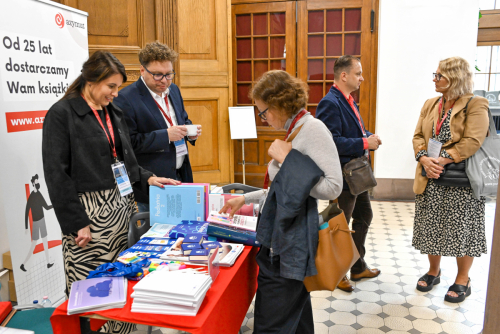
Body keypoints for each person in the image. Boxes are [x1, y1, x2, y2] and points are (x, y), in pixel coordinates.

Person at [42, 51, 179, 333]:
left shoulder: (111, 112)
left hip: (121, 208)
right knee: (91, 289)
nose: (116, 93)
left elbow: (125, 161)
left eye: (117, 87)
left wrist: (148, 179)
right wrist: (76, 222)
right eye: (111, 87)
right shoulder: (62, 114)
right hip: (89, 216)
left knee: (122, 281)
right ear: (91, 80)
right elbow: (57, 174)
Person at [220, 70, 342, 333]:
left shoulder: (312, 129)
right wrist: (244, 198)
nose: (262, 118)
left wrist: (288, 160)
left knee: (270, 325)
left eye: (264, 112)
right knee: (296, 320)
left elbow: (334, 185)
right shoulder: (294, 129)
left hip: (290, 245)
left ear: (279, 104)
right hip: (282, 238)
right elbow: (284, 188)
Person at [412, 57, 489, 303]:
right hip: (431, 177)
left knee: (462, 230)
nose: (435, 80)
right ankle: (434, 272)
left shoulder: (476, 104)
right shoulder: (431, 103)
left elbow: (473, 141)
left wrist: (442, 159)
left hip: (461, 182)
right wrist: (424, 159)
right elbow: (417, 136)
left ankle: (462, 279)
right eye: (434, 75)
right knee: (431, 227)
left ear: (454, 78)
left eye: (439, 76)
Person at [316, 55, 382, 292]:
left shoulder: (348, 100)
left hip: (357, 174)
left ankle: (356, 265)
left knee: (364, 216)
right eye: (358, 73)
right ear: (344, 76)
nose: (362, 78)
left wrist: (368, 136)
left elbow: (355, 131)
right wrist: (365, 143)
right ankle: (337, 272)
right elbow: (331, 142)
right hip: (344, 176)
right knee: (339, 226)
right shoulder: (329, 103)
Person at [113, 42, 201, 214]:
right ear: (142, 70)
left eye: (169, 74)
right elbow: (127, 144)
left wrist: (190, 132)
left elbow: (182, 118)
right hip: (152, 182)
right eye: (158, 75)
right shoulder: (125, 99)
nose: (164, 81)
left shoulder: (173, 90)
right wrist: (166, 136)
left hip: (180, 174)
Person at [20, 174, 54, 272]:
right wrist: (26, 227)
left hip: (42, 220)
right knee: (34, 244)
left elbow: (46, 207)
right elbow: (26, 211)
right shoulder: (31, 197)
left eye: (38, 182)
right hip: (35, 222)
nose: (38, 183)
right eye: (36, 182)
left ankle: (48, 263)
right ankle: (23, 264)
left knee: (45, 241)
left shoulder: (39, 194)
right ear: (33, 184)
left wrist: (54, 205)